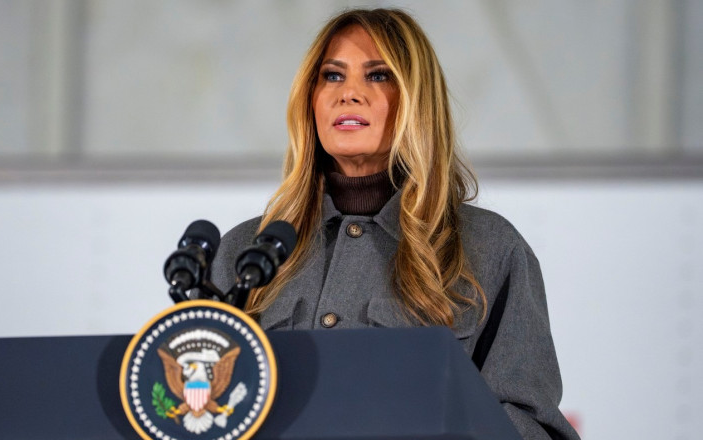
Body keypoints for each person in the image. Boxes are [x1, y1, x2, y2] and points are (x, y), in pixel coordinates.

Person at [211, 8, 579, 440]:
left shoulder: (490, 247)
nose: (349, 94)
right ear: (309, 98)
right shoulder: (247, 252)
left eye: (378, 75)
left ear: (416, 100)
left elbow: (533, 428)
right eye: (332, 76)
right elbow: (194, 411)